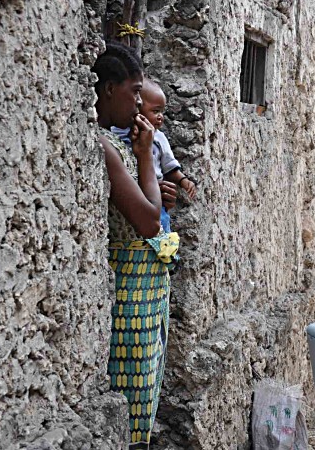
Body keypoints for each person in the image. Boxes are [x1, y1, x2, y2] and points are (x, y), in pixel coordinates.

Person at [93, 41, 179, 448]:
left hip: (148, 291)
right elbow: (148, 221)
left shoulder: (124, 142)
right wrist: (146, 157)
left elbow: (152, 205)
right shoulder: (107, 146)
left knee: (146, 391)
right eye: (134, 91)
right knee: (130, 398)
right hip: (129, 293)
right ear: (109, 89)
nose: (140, 103)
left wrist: (147, 163)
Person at [112, 79, 197, 232]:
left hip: (156, 195)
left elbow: (169, 167)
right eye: (155, 111)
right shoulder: (116, 134)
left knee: (161, 227)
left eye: (162, 112)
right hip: (131, 195)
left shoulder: (159, 138)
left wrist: (183, 181)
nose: (161, 117)